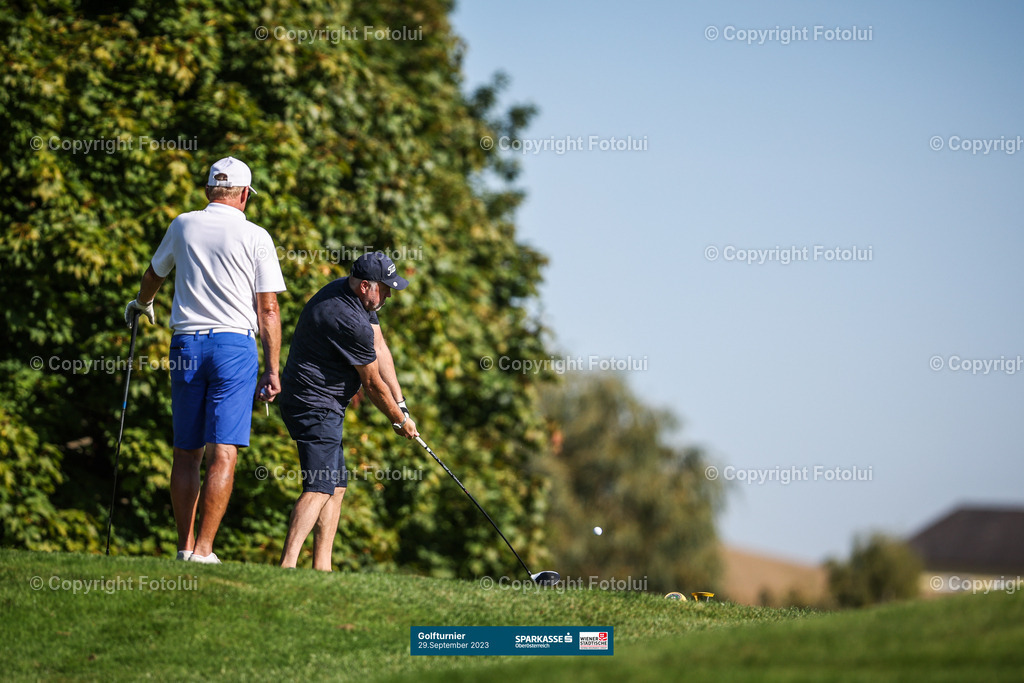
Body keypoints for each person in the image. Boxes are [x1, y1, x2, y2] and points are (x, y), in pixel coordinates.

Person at [123, 156, 286, 564]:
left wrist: (142, 305)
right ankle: (205, 551)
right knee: (223, 451)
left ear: (208, 190)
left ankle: (183, 547)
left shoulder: (183, 224)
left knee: (186, 451)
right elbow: (267, 310)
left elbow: (154, 274)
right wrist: (273, 369)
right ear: (245, 194)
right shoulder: (257, 236)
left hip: (187, 346)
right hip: (234, 347)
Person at [278, 251, 418, 570]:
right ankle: (287, 567)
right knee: (318, 486)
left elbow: (380, 347)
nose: (390, 295)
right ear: (366, 285)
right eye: (385, 288)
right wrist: (400, 422)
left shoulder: (352, 294)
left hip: (324, 404)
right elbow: (371, 384)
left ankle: (322, 568)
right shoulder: (348, 319)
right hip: (314, 405)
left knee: (336, 486)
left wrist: (401, 404)